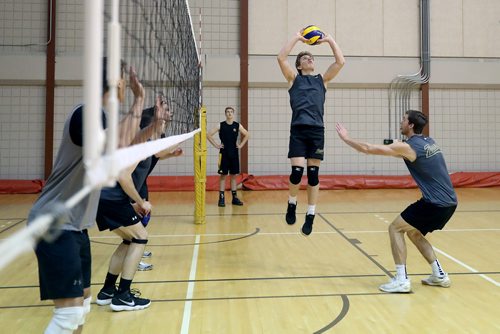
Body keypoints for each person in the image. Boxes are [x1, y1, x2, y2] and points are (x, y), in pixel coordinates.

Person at [27, 59, 146, 333]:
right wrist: (140, 101)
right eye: (125, 82)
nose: (127, 86)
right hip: (54, 224)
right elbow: (115, 146)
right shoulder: (88, 113)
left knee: (81, 311)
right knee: (68, 315)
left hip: (76, 227)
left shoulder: (102, 117)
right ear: (116, 81)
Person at [335, 110, 458, 293]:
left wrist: (347, 139)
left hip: (435, 203)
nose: (401, 122)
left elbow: (368, 148)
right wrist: (396, 147)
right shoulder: (429, 142)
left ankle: (401, 280)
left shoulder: (409, 148)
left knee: (395, 228)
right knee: (414, 233)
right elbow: (404, 151)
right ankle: (439, 274)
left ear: (410, 125)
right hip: (450, 202)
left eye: (403, 120)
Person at [95, 95, 174, 311]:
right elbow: (123, 176)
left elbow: (158, 150)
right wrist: (141, 202)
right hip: (111, 199)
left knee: (129, 240)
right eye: (160, 121)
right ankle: (123, 296)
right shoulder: (138, 145)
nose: (163, 124)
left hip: (105, 199)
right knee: (141, 237)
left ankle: (107, 291)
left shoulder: (144, 144)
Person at [277, 28, 345, 235]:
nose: (309, 59)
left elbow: (340, 62)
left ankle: (311, 214)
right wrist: (297, 38)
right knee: (297, 172)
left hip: (316, 131)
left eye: (311, 57)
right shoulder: (293, 79)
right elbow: (281, 57)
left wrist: (331, 40)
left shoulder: (322, 81)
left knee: (313, 175)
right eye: (305, 58)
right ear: (299, 65)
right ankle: (291, 202)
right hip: (298, 129)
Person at [207, 106, 249, 207]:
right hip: (224, 154)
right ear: (225, 114)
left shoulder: (237, 125)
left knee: (233, 176)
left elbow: (247, 134)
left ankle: (234, 198)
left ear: (233, 114)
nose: (229, 113)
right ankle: (221, 198)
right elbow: (208, 135)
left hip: (234, 153)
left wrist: (241, 145)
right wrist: (217, 145)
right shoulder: (220, 125)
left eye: (231, 112)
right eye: (227, 112)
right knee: (223, 176)